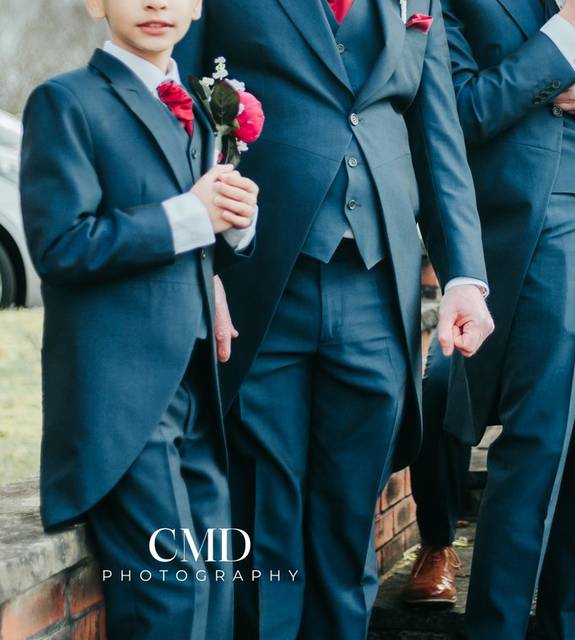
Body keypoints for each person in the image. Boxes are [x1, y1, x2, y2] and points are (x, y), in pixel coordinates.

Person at [174, 0, 493, 637]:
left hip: (379, 283)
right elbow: (179, 105)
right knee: (263, 524)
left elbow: (436, 133)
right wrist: (197, 266)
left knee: (350, 528)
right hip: (260, 278)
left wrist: (463, 276)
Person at [18, 0, 259, 637]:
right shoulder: (66, 102)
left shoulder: (202, 106)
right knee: (171, 594)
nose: (157, 2)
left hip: (198, 392)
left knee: (216, 585)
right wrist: (191, 216)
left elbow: (198, 236)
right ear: (95, 3)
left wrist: (233, 226)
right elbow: (60, 246)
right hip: (122, 400)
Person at [416, 0, 575, 637]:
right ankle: (495, 626)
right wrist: (564, 31)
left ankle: (569, 627)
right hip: (539, 209)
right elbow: (460, 111)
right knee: (538, 443)